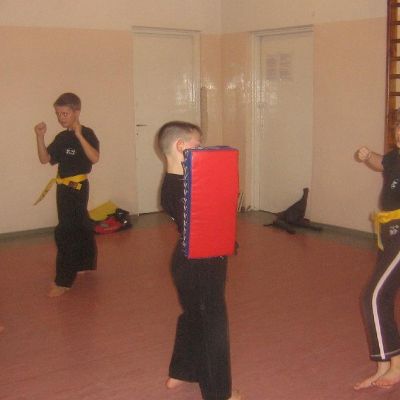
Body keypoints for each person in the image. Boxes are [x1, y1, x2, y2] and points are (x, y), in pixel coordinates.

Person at [157, 121, 241, 400]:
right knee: (212, 324)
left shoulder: (178, 182)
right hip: (200, 264)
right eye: (197, 144)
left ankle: (182, 371)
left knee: (193, 316)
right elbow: (208, 224)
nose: (202, 149)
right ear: (181, 147)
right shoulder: (184, 187)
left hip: (189, 261)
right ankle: (219, 394)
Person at [34, 93, 99, 297]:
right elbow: (45, 159)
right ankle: (85, 262)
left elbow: (94, 158)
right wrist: (40, 136)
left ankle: (63, 281)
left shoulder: (87, 133)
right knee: (82, 225)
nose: (61, 118)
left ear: (76, 112)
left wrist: (79, 135)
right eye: (58, 114)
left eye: (65, 113)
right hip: (63, 187)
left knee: (65, 232)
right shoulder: (61, 138)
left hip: (78, 187)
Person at [354, 126, 400, 389]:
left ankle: (397, 365)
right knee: (382, 296)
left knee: (374, 295)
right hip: (389, 230)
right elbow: (381, 162)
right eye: (399, 129)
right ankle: (384, 366)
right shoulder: (395, 157)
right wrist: (368, 155)